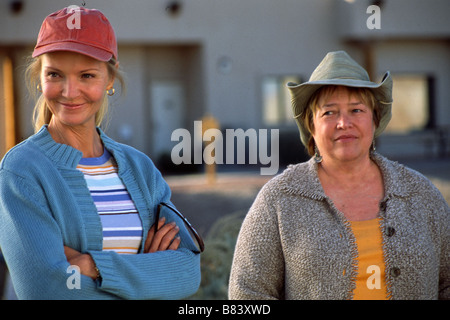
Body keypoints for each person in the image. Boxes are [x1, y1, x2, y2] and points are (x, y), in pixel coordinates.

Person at [0, 6, 202, 300]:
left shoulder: (140, 169)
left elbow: (187, 272)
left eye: (86, 75)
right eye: (55, 74)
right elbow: (46, 290)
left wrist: (93, 265)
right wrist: (146, 272)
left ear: (109, 79)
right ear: (39, 78)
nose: (69, 91)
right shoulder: (21, 171)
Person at [229, 51, 449, 300]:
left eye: (356, 110)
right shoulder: (279, 199)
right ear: (311, 126)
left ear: (374, 120)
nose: (344, 123)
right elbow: (247, 293)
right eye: (329, 112)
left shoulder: (420, 193)